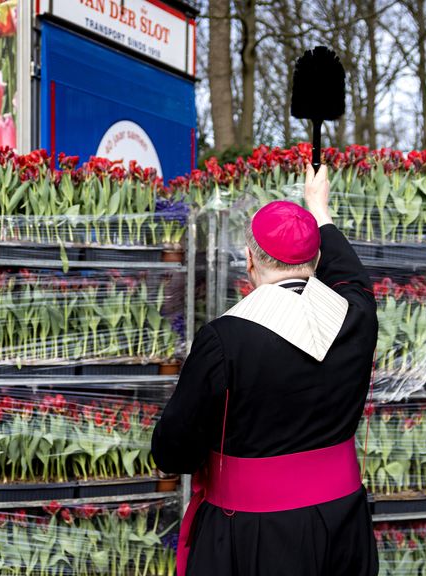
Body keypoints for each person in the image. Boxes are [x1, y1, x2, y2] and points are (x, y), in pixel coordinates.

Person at [151, 164, 378, 576]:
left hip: (252, 533)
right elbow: (351, 276)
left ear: (250, 261)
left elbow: (174, 452)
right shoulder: (357, 317)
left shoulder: (224, 340)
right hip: (342, 525)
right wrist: (319, 209)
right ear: (318, 259)